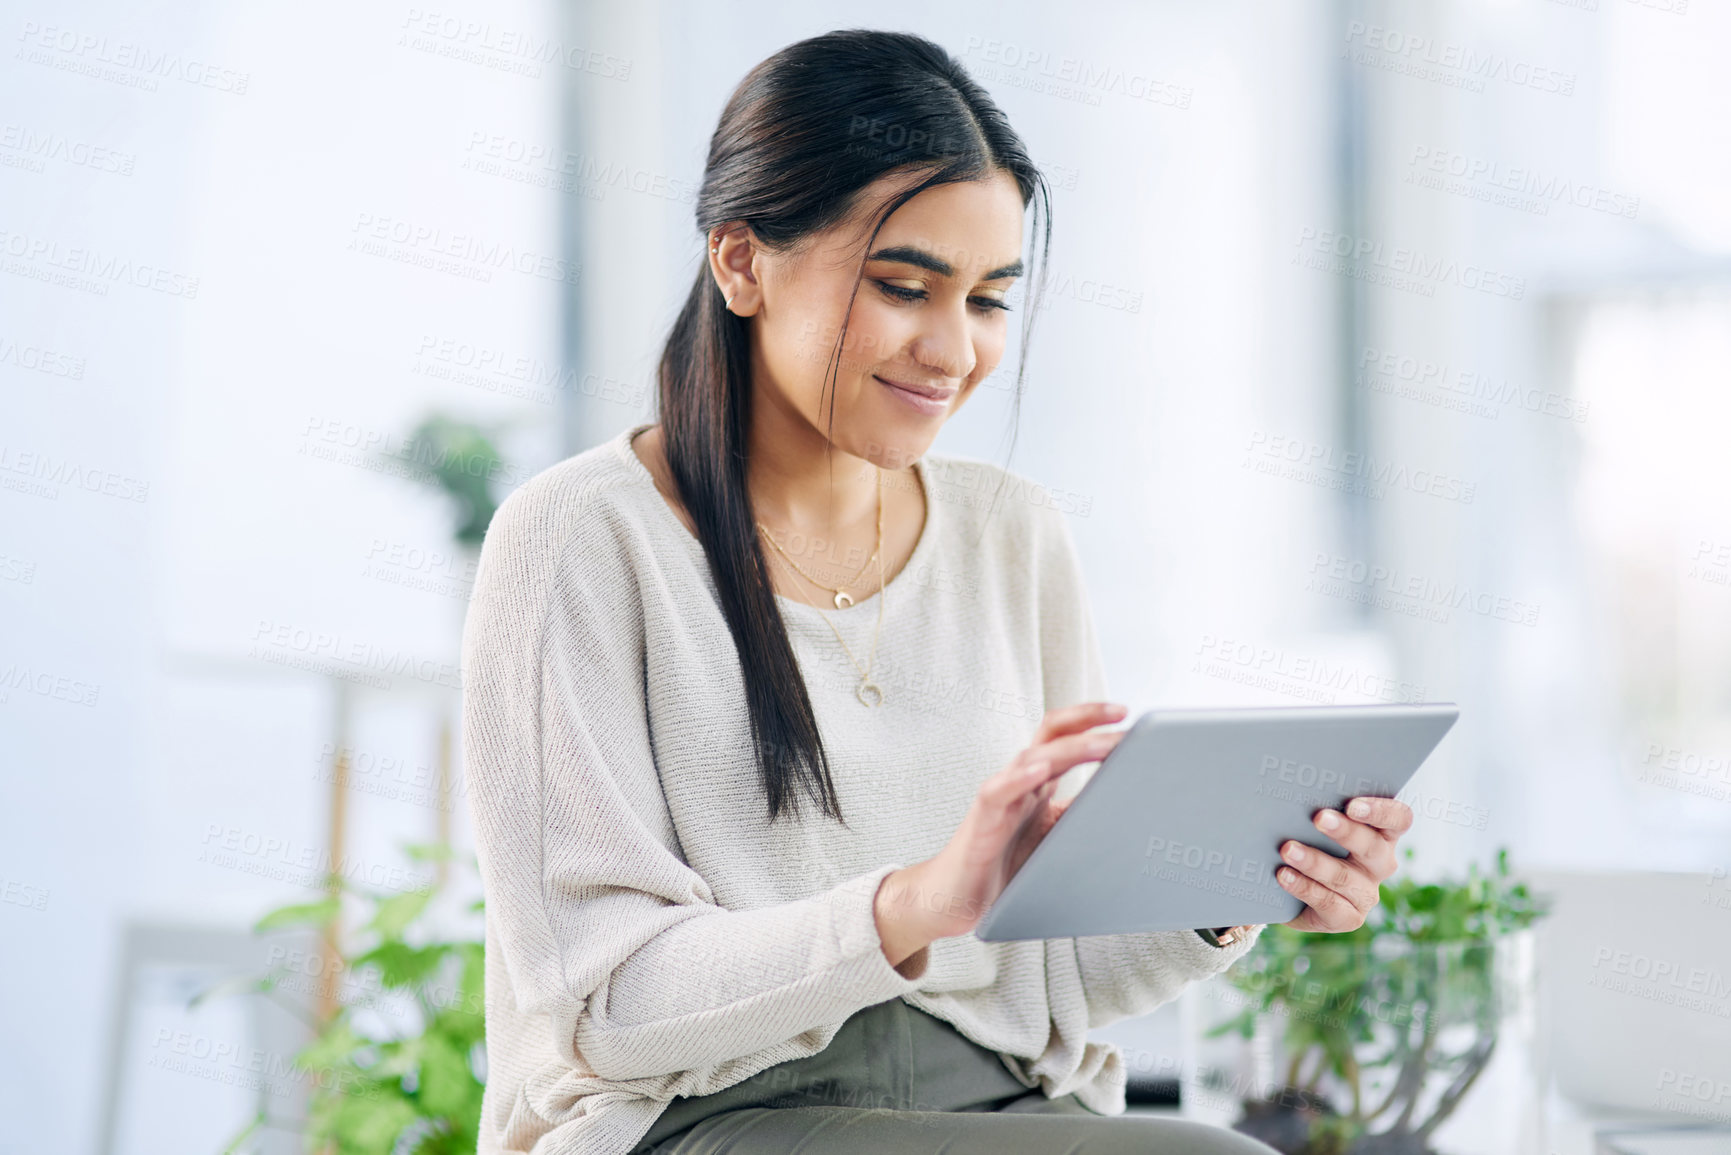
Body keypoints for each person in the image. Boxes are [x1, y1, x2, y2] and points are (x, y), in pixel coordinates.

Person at [460, 28, 1414, 1155]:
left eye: (991, 300)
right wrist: (913, 903)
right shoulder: (582, 537)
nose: (954, 350)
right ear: (740, 262)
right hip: (702, 1116)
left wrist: (1228, 886)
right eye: (907, 286)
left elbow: (1052, 972)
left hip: (1006, 1106)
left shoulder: (1011, 535)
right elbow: (604, 1004)